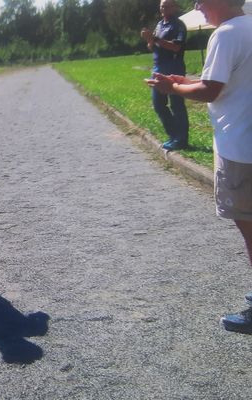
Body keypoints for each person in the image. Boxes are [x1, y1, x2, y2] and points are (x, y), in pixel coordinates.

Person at [146, 0, 252, 333]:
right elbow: (230, 79)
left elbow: (211, 90)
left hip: (240, 148)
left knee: (250, 230)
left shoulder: (225, 34)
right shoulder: (249, 27)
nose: (197, 5)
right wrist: (188, 78)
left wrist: (173, 87)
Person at [141, 0, 190, 151]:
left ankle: (181, 139)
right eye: (162, 5)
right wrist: (149, 40)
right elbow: (153, 46)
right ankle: (173, 134)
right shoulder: (159, 24)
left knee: (176, 104)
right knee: (158, 104)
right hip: (158, 67)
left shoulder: (179, 25)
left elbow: (176, 47)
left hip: (173, 66)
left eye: (168, 5)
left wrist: (155, 39)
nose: (164, 8)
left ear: (174, 7)